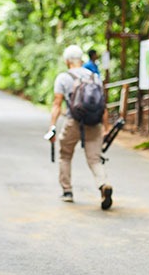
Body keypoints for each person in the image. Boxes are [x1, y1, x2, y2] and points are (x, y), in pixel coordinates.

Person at [48, 44, 113, 210]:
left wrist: (52, 127)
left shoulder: (63, 77)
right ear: (81, 59)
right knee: (94, 159)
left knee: (65, 154)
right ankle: (103, 184)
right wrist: (106, 127)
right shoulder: (94, 76)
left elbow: (57, 104)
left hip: (74, 122)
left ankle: (67, 191)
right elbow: (103, 105)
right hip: (94, 122)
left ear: (67, 61)